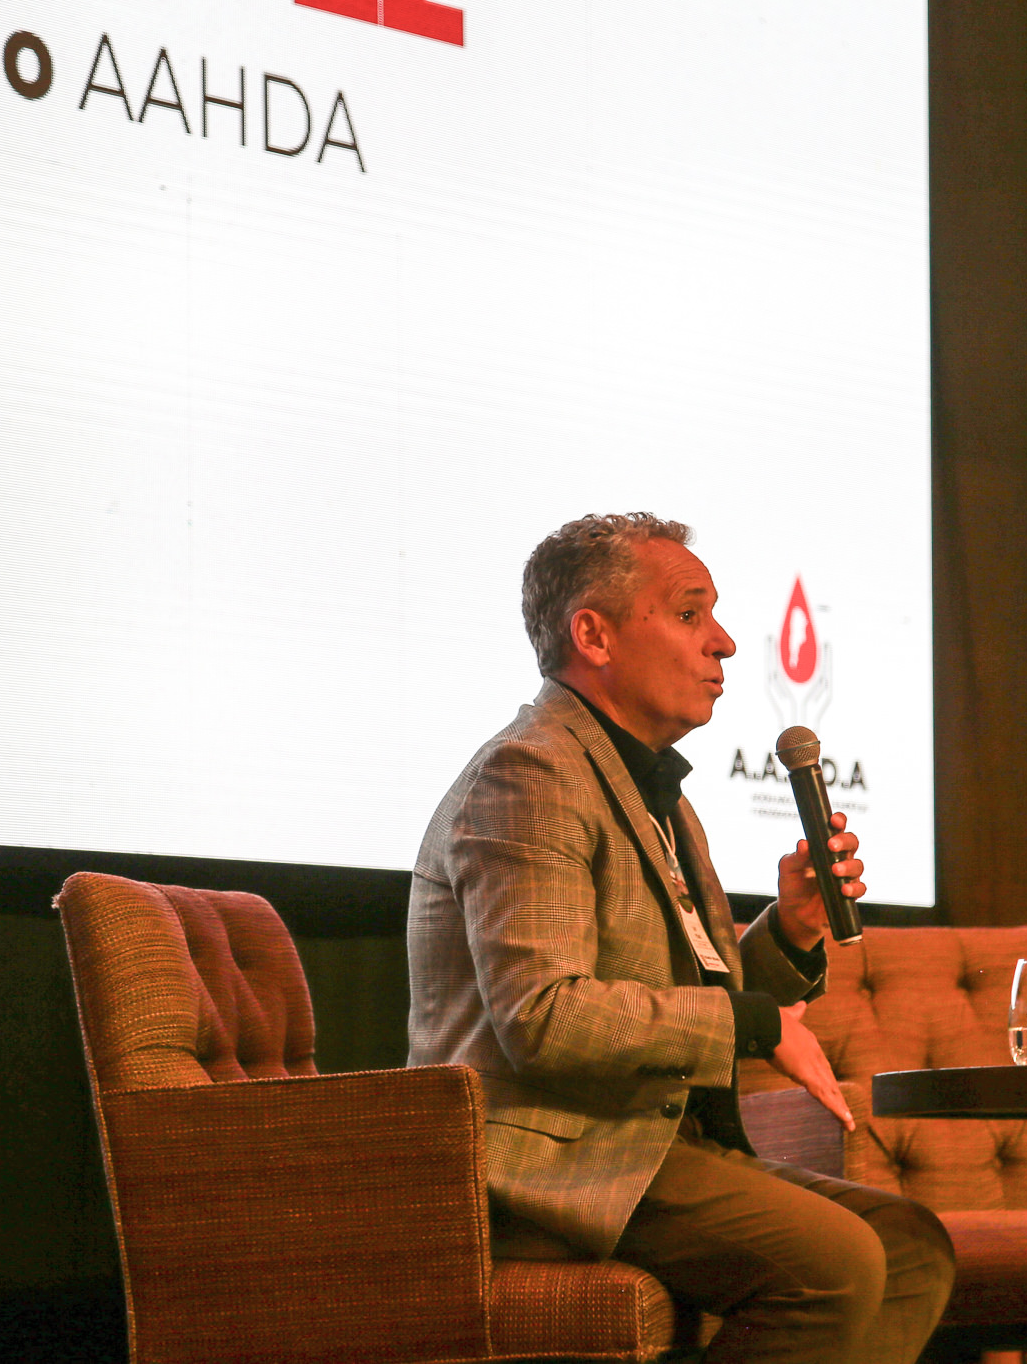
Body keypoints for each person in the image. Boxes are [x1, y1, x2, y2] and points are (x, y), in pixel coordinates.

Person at [408, 513, 954, 1364]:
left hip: (653, 1140)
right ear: (593, 634)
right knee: (837, 1262)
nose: (726, 642)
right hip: (553, 1158)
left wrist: (791, 930)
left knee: (912, 1245)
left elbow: (689, 987)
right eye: (690, 613)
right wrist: (756, 1022)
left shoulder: (653, 790)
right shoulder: (531, 773)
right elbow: (545, 1017)